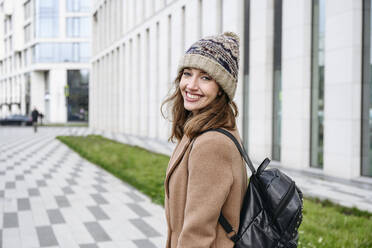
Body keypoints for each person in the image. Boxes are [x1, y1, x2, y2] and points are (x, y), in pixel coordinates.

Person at [162, 32, 248, 247]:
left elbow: (197, 235)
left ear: (221, 89)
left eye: (205, 77)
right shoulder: (198, 130)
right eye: (187, 73)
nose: (190, 85)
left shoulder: (211, 143)